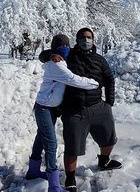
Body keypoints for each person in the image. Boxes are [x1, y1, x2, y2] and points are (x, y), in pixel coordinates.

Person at [39, 28, 121, 192]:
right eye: (82, 37)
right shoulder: (68, 56)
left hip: (98, 106)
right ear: (77, 40)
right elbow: (44, 56)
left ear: (93, 39)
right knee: (72, 147)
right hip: (74, 110)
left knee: (109, 138)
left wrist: (109, 103)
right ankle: (70, 177)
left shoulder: (100, 60)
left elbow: (110, 80)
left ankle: (104, 161)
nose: (86, 40)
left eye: (89, 37)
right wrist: (49, 55)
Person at [26, 34, 99, 192]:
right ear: (54, 49)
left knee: (41, 138)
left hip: (51, 108)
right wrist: (94, 83)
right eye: (61, 47)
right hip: (44, 107)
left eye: (67, 46)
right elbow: (73, 79)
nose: (65, 49)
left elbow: (80, 52)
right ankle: (54, 185)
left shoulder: (64, 58)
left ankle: (32, 171)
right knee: (51, 143)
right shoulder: (54, 63)